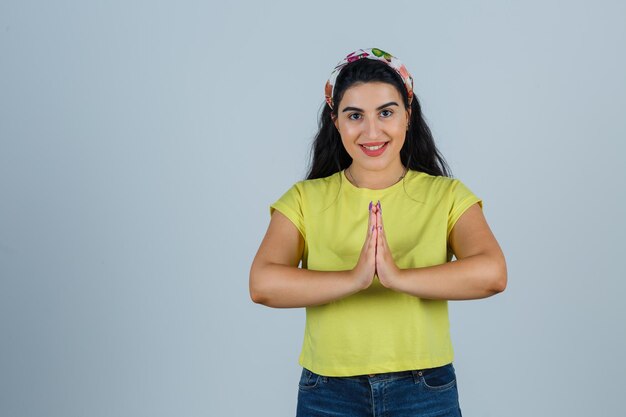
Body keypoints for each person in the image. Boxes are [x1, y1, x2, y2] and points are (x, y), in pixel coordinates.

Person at [249, 48, 507, 417]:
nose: (372, 131)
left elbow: (493, 274)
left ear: (408, 116)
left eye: (386, 112)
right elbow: (262, 283)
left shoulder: (447, 195)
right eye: (355, 115)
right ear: (336, 121)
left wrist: (397, 278)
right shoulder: (305, 199)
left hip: (425, 389)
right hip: (328, 393)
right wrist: (354, 279)